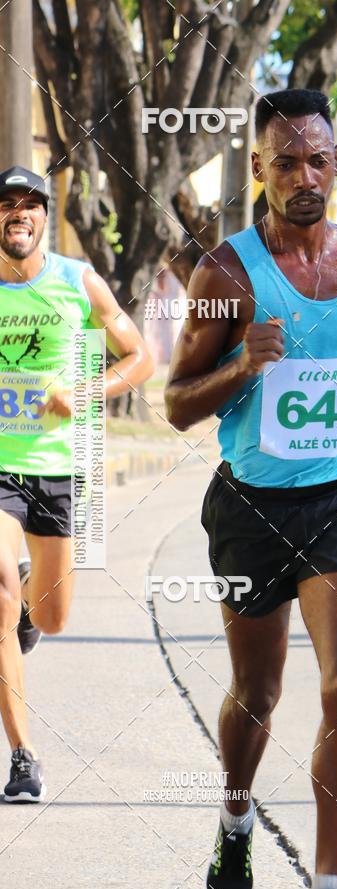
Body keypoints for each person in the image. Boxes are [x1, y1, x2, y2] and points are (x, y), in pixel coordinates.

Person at [165, 89, 337, 889]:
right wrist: (242, 365)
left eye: (319, 158)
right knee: (259, 690)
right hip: (251, 508)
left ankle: (331, 885)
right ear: (260, 170)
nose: (305, 175)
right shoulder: (228, 272)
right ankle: (236, 820)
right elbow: (174, 405)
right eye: (287, 161)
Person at [0, 165, 154, 801]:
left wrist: (86, 395)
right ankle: (23, 756)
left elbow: (141, 358)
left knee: (52, 617)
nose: (17, 215)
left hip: (58, 468)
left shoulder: (77, 281)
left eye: (29, 206)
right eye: (6, 206)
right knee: (0, 597)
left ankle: (32, 604)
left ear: (45, 215)